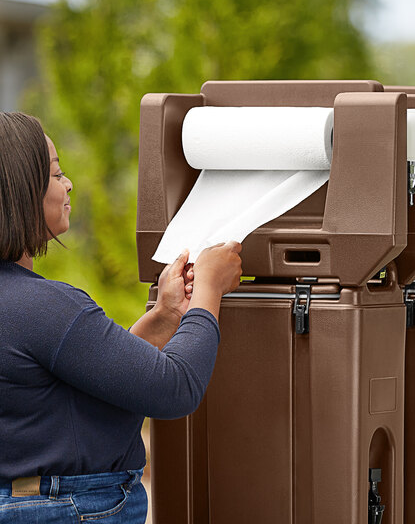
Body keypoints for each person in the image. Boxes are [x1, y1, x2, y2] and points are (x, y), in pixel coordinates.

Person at [0, 112, 242, 523]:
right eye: (56, 174)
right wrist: (209, 289)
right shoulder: (45, 307)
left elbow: (92, 379)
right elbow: (174, 388)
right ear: (21, 192)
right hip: (68, 509)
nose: (68, 184)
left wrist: (165, 316)